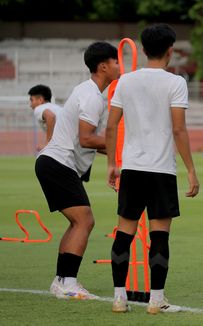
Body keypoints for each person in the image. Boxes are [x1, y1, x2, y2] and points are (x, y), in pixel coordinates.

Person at [106, 24, 200, 314]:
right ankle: (156, 299)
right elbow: (179, 129)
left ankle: (120, 298)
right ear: (170, 50)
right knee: (160, 236)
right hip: (161, 171)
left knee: (124, 234)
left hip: (132, 168)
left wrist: (112, 163)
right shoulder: (175, 83)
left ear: (143, 50)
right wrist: (191, 170)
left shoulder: (125, 81)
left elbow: (111, 126)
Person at [35, 42, 120, 299]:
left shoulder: (88, 92)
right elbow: (86, 139)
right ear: (103, 66)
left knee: (78, 222)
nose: (119, 66)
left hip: (55, 164)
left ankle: (61, 281)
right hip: (58, 163)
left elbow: (91, 142)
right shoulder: (92, 96)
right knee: (84, 220)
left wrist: (119, 152)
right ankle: (68, 283)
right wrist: (121, 143)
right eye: (116, 61)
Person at [28, 84, 62, 150]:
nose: (30, 104)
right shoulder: (56, 108)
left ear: (40, 100)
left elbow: (51, 116)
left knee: (42, 159)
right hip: (74, 143)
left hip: (67, 145)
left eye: (32, 100)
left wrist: (48, 143)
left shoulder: (39, 108)